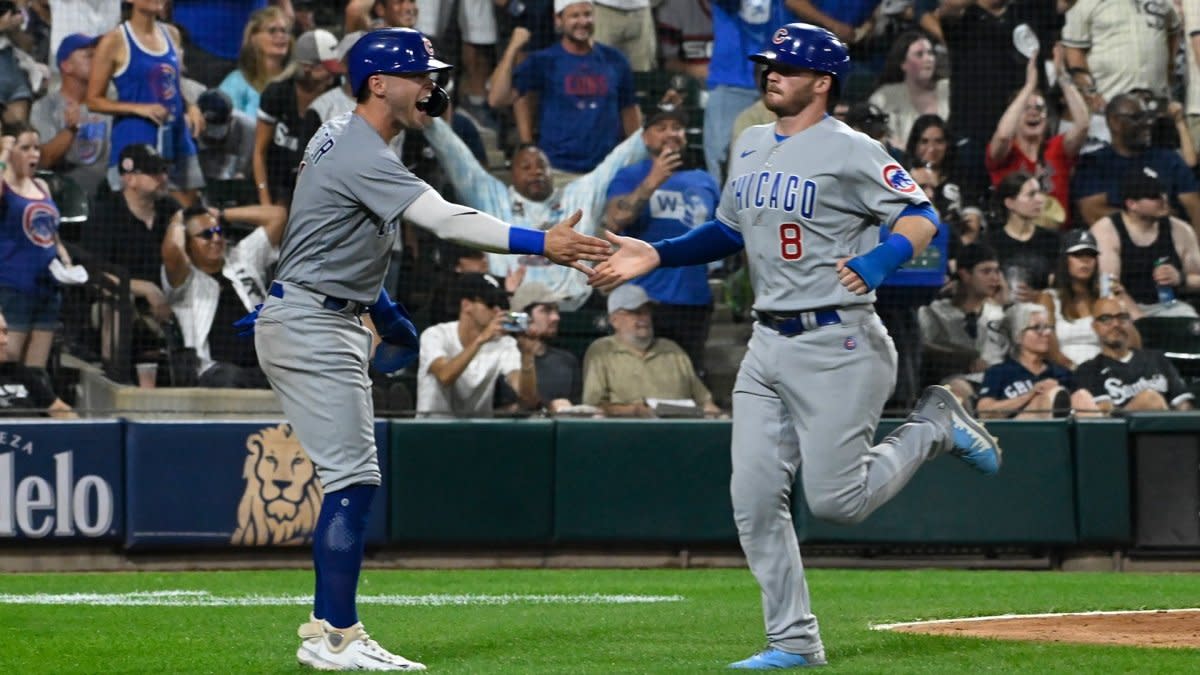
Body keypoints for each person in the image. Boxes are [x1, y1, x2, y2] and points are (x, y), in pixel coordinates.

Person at [588, 23, 1001, 669]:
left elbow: (922, 215)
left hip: (839, 339)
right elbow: (727, 229)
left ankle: (932, 426)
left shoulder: (852, 148)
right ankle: (794, 640)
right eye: (769, 63)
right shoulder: (750, 141)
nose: (771, 72)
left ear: (822, 80)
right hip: (766, 342)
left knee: (838, 502)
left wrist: (883, 258)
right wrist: (658, 253)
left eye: (786, 65)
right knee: (752, 500)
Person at [249, 28, 609, 670]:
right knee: (353, 482)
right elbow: (446, 219)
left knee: (350, 480)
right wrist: (540, 243)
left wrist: (385, 312)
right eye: (420, 75)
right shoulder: (362, 147)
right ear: (379, 83)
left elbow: (332, 234)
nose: (432, 86)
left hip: (319, 310)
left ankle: (329, 630)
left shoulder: (345, 133)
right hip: (313, 319)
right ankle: (335, 637)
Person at [421, 104, 646, 310]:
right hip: (510, 306)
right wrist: (431, 121)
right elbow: (457, 157)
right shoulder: (492, 197)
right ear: (512, 173)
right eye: (526, 166)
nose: (536, 171)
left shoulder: (577, 196)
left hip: (571, 308)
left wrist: (646, 134)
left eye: (542, 165)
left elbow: (616, 161)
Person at [604, 104, 717, 373]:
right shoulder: (629, 175)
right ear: (645, 137)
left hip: (694, 299)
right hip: (645, 300)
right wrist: (651, 182)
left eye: (676, 127)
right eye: (661, 127)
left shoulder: (705, 181)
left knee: (687, 378)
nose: (671, 133)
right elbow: (616, 219)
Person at [87, 0, 206, 205]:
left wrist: (190, 106)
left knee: (188, 212)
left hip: (176, 137)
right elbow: (93, 101)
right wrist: (138, 108)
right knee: (141, 215)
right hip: (136, 139)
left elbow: (171, 84)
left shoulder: (172, 34)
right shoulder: (114, 40)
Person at [507, 0, 641, 179]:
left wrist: (636, 156)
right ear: (558, 20)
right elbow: (505, 97)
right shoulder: (544, 60)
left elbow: (629, 108)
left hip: (606, 169)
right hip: (558, 169)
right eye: (575, 16)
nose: (583, 22)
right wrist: (527, 143)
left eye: (587, 15)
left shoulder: (615, 59)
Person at [161, 203, 287, 388]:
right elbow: (172, 249)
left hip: (265, 364)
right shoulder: (184, 279)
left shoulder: (242, 257)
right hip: (214, 371)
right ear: (188, 243)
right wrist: (179, 219)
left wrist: (222, 214)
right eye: (206, 234)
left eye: (219, 230)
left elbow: (278, 215)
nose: (217, 238)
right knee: (233, 378)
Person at [986, 46, 1091, 229]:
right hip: (1015, 237)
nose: (1033, 112)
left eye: (1040, 108)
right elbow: (1003, 135)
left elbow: (1082, 125)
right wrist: (1029, 87)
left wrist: (1063, 78)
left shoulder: (1057, 147)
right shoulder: (1006, 152)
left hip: (1056, 238)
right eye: (1026, 108)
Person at [581, 283, 718, 417]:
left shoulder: (672, 349)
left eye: (647, 311)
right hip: (626, 431)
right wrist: (634, 411)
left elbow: (704, 401)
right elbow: (594, 406)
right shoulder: (602, 351)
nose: (644, 318)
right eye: (636, 312)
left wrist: (714, 415)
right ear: (615, 320)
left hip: (679, 428)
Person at [0, 124, 72, 374]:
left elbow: (52, 233)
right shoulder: (4, 187)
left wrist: (65, 260)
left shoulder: (42, 185)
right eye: (25, 148)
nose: (34, 154)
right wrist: (4, 155)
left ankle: (34, 411)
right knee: (8, 358)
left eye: (36, 148)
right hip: (14, 286)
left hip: (47, 287)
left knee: (36, 368)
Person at [416, 273, 540, 417]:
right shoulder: (435, 335)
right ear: (466, 305)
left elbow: (527, 398)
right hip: (430, 430)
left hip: (476, 433)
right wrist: (481, 339)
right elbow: (445, 376)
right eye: (490, 303)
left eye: (499, 304)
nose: (498, 311)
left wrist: (527, 356)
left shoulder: (505, 343)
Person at [1072, 93, 1200, 227]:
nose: (1147, 123)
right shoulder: (1094, 163)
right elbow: (1093, 213)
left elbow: (1195, 208)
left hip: (1167, 242)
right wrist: (1149, 215)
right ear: (1114, 122)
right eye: (1137, 117)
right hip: (1115, 242)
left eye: (1147, 116)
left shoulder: (1169, 159)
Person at [1091, 166, 1200, 318]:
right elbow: (1109, 288)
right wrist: (1139, 319)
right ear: (1131, 204)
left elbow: (1197, 279)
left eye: (1163, 192)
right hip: (1124, 310)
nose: (1163, 199)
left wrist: (1180, 278)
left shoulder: (1181, 230)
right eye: (1154, 196)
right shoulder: (1106, 231)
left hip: (1171, 307)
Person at [254, 28, 338, 208]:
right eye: (327, 67)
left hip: (320, 189)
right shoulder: (277, 94)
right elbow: (259, 152)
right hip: (277, 183)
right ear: (308, 67)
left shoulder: (336, 94)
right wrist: (265, 202)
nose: (334, 73)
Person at [917, 243, 1008, 400]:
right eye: (986, 271)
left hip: (1000, 384)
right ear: (965, 274)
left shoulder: (1000, 314)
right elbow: (923, 350)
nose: (995, 278)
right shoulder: (934, 312)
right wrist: (966, 358)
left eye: (997, 271)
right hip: (953, 385)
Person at [976, 302, 1097, 419]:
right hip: (1016, 433)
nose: (1046, 333)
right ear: (1018, 336)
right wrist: (1030, 395)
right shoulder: (999, 371)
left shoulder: (1061, 373)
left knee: (1082, 396)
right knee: (1048, 395)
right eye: (1037, 328)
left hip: (1059, 433)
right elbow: (984, 413)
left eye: (1047, 327)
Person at [1074, 296, 1195, 412]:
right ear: (1095, 327)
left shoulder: (1157, 359)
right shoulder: (1089, 370)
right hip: (1125, 432)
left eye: (1122, 317)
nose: (1116, 324)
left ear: (1131, 323)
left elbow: (1184, 405)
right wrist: (1146, 402)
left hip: (1167, 430)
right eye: (1106, 319)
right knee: (1150, 399)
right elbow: (1105, 418)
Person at [30, 33, 113, 197]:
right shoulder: (45, 107)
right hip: (65, 199)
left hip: (106, 202)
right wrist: (70, 130)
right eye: (89, 56)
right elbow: (43, 160)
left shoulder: (108, 105)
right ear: (67, 66)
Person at [1036, 229, 1123, 370]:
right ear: (1064, 260)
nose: (1085, 261)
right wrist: (1076, 370)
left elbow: (1131, 345)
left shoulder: (1105, 297)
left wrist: (1119, 304)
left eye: (1091, 255)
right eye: (1077, 255)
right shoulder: (1049, 298)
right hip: (1064, 372)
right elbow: (1047, 347)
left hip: (1106, 371)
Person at [985, 171, 1060, 303]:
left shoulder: (1051, 240)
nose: (1040, 199)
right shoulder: (991, 242)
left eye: (1039, 193)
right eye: (1031, 194)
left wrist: (1038, 296)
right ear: (1010, 203)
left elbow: (1061, 286)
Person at [868, 30, 949, 148]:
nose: (928, 59)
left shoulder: (948, 89)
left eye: (931, 53)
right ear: (903, 63)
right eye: (919, 54)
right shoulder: (884, 97)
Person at [510, 281, 582, 411]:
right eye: (546, 310)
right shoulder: (504, 358)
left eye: (556, 310)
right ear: (523, 316)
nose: (556, 317)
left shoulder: (566, 361)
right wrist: (549, 408)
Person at [217, 6, 294, 118]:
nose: (281, 35)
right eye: (272, 30)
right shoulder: (236, 82)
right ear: (253, 38)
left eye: (284, 30)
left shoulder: (297, 80)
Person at [0, 308, 75, 418]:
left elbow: (59, 409)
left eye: (5, 332)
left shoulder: (18, 372)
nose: (4, 340)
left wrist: (85, 432)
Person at [195, 89, 256, 183]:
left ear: (230, 119)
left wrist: (241, 174)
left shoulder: (248, 128)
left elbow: (244, 170)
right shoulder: (186, 126)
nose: (213, 138)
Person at [655, 0, 713, 83]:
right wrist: (695, 70)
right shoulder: (674, 5)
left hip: (732, 89)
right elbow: (667, 63)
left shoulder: (737, 12)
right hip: (690, 87)